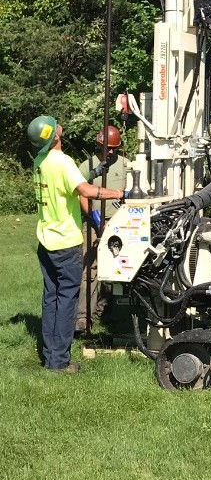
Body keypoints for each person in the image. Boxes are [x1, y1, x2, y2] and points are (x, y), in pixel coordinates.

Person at [28, 115, 127, 373]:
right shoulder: (62, 161)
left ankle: (50, 355)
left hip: (46, 240)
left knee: (51, 298)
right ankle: (60, 362)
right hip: (66, 243)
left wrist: (96, 172)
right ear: (55, 136)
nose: (59, 124)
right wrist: (120, 193)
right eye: (56, 124)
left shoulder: (40, 161)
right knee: (67, 299)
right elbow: (85, 191)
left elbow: (66, 187)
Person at [76, 125, 131, 331]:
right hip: (93, 223)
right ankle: (83, 317)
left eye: (114, 149)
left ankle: (117, 312)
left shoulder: (126, 165)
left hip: (121, 224)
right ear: (99, 144)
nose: (110, 152)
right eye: (107, 148)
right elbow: (82, 194)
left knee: (123, 268)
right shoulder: (87, 166)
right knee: (90, 269)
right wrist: (96, 218)